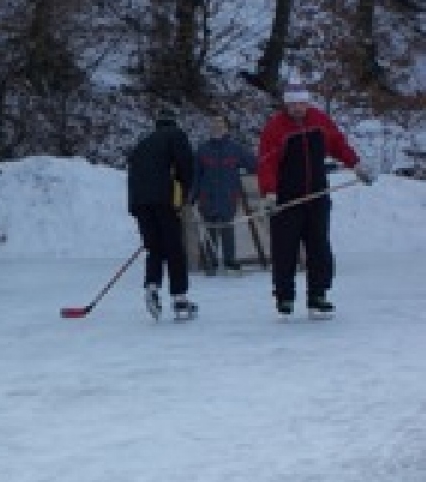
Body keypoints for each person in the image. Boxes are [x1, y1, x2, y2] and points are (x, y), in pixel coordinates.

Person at [258, 77, 373, 317]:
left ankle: (318, 295)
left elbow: (338, 145)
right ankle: (285, 297)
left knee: (319, 246)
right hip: (286, 198)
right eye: (293, 105)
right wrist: (269, 192)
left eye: (301, 104)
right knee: (285, 248)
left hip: (317, 195)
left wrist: (356, 165)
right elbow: (267, 162)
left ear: (307, 103)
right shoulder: (275, 127)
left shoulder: (320, 121)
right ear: (286, 105)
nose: (298, 109)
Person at [127, 108, 197, 321]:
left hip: (140, 203)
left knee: (154, 248)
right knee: (175, 249)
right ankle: (180, 298)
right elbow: (186, 166)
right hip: (164, 201)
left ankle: (152, 286)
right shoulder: (176, 136)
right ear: (173, 123)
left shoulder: (143, 143)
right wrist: (186, 196)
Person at [192, 115, 257, 275]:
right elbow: (195, 175)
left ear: (226, 128)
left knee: (228, 228)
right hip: (207, 196)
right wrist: (192, 196)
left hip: (228, 196)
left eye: (220, 125)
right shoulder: (203, 150)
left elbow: (253, 165)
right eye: (214, 125)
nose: (217, 128)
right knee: (210, 228)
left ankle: (230, 261)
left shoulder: (235, 149)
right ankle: (211, 262)